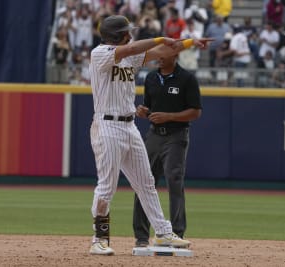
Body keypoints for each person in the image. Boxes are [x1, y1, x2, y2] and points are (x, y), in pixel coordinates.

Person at [88, 15, 211, 255]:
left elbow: (161, 51)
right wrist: (158, 37)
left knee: (146, 183)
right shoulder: (99, 53)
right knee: (106, 187)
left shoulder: (130, 55)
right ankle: (99, 239)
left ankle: (164, 233)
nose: (130, 34)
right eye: (127, 31)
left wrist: (190, 42)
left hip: (129, 126)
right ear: (120, 35)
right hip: (107, 126)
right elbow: (135, 47)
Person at [132, 52, 202, 247]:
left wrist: (169, 116)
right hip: (154, 135)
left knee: (174, 179)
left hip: (176, 135)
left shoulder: (187, 78)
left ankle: (176, 233)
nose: (159, 57)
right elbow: (148, 106)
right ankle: (141, 236)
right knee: (144, 181)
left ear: (176, 54)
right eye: (158, 53)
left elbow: (196, 111)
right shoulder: (151, 78)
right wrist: (142, 111)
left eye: (164, 53)